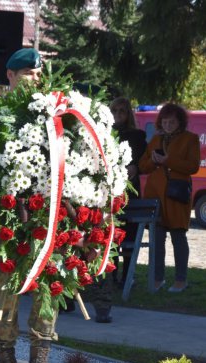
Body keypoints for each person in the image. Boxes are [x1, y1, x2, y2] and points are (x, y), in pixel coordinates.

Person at [0, 48, 64, 363]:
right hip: (11, 219)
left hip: (48, 220)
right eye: (28, 73)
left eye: (38, 73)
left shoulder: (55, 117)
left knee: (48, 290)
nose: (35, 79)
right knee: (7, 292)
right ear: (11, 76)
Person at [87, 97, 147, 323]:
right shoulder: (103, 133)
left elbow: (137, 163)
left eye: (123, 110)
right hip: (104, 194)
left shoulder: (137, 136)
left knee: (127, 234)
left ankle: (126, 277)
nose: (119, 113)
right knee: (109, 239)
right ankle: (109, 275)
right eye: (115, 110)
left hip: (126, 192)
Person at [139, 103, 200, 293]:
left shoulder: (191, 139)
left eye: (172, 121)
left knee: (178, 236)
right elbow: (143, 165)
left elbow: (193, 166)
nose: (168, 125)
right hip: (155, 194)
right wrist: (154, 161)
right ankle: (158, 278)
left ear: (180, 121)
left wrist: (168, 161)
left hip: (176, 194)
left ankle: (181, 279)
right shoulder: (156, 139)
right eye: (165, 121)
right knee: (157, 238)